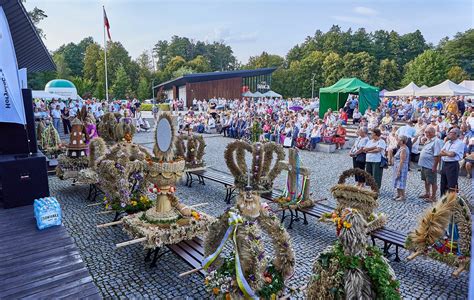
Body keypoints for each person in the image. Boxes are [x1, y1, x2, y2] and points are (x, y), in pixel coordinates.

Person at [417, 126, 443, 202]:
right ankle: (427, 193)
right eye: (425, 132)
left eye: (428, 132)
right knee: (426, 180)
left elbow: (437, 155)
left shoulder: (436, 141)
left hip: (430, 165)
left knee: (432, 181)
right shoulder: (428, 140)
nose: (426, 134)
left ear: (433, 132)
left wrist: (434, 166)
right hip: (424, 164)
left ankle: (433, 197)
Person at [439, 128, 465, 196]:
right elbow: (440, 153)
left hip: (452, 164)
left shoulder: (459, 143)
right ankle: (442, 201)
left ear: (456, 134)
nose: (448, 133)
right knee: (443, 183)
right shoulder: (448, 142)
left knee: (451, 184)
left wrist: (445, 152)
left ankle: (451, 201)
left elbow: (452, 154)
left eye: (450, 132)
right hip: (444, 163)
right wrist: (446, 152)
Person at [393, 135, 409, 201]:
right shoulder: (401, 147)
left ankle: (402, 196)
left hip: (401, 167)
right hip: (397, 166)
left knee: (401, 181)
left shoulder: (404, 149)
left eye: (398, 140)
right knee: (397, 180)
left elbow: (402, 160)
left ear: (402, 141)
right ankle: (398, 194)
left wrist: (399, 170)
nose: (397, 141)